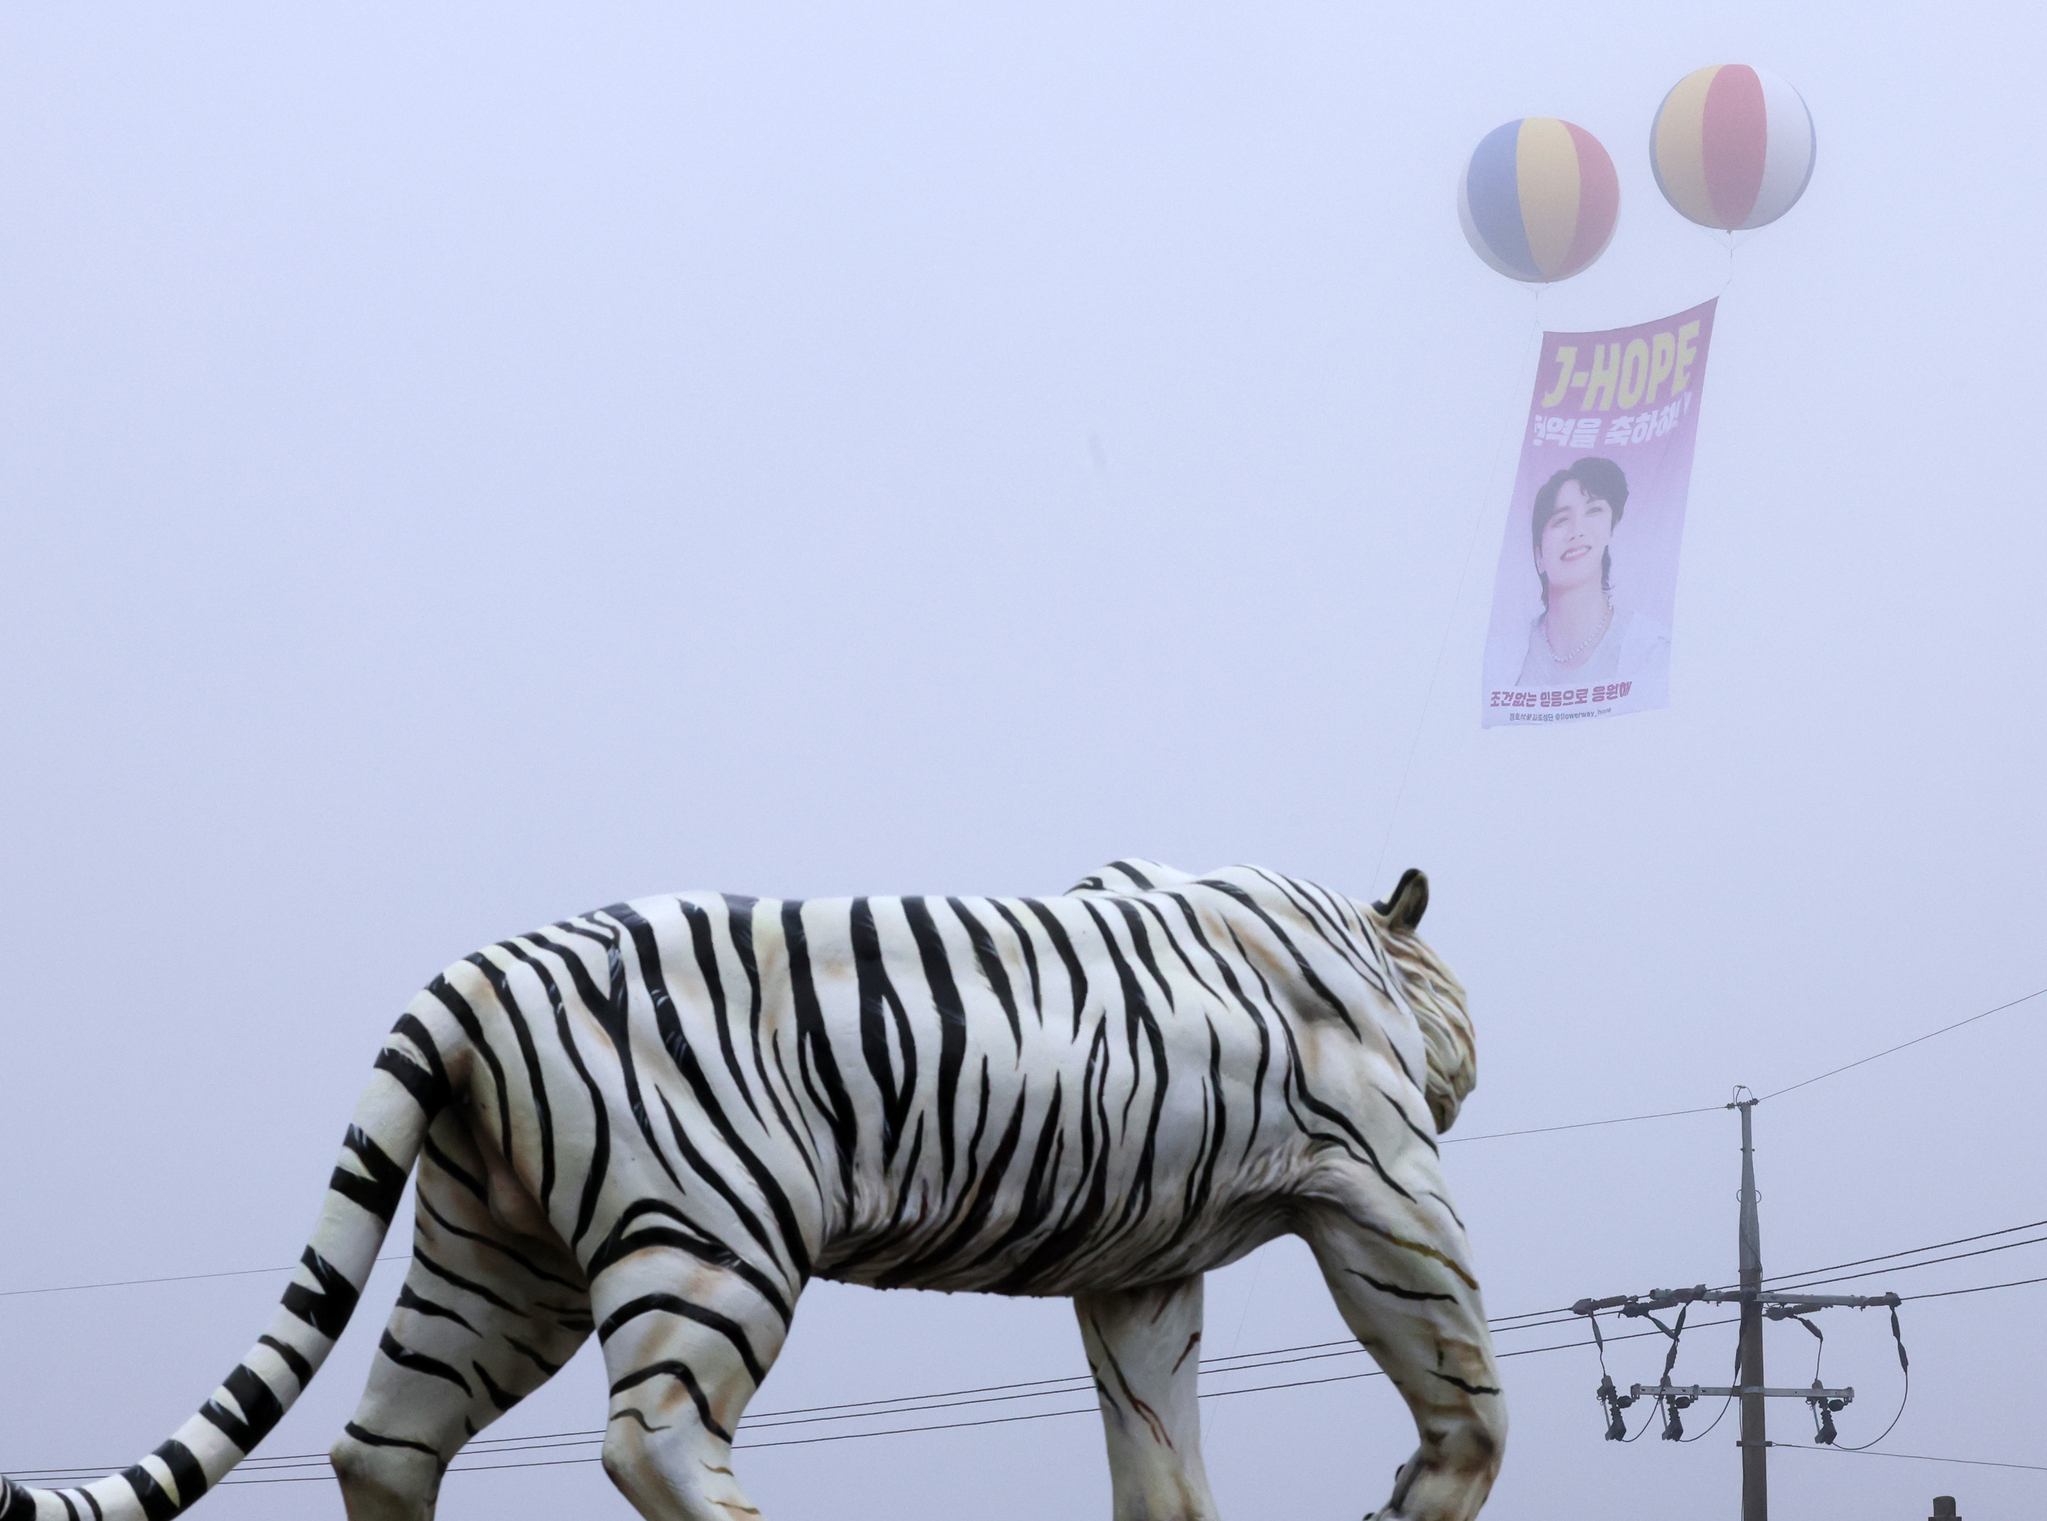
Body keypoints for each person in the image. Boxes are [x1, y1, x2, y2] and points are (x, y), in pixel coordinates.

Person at [1514, 456, 1670, 696]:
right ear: (1539, 558)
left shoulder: (1650, 650)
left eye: (1593, 511)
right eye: (1561, 519)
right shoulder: (1506, 655)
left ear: (1610, 530)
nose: (1577, 531)